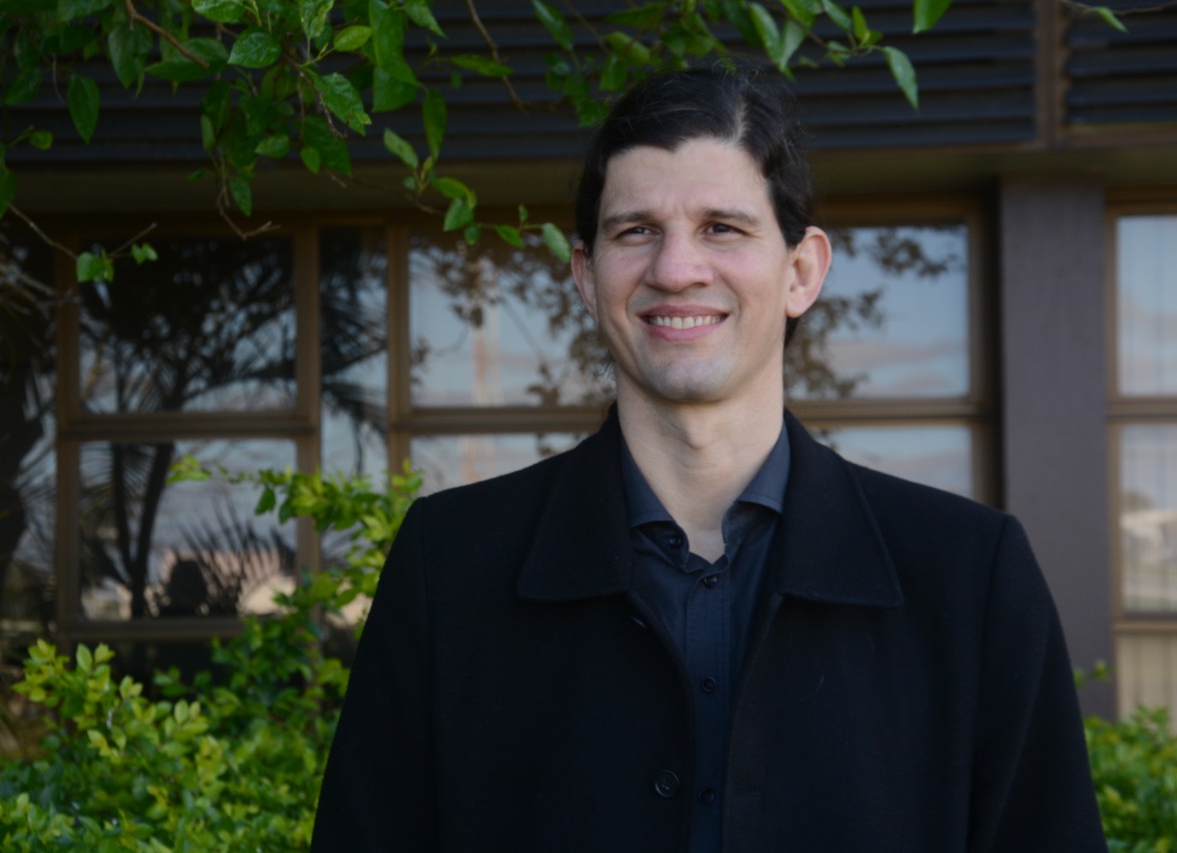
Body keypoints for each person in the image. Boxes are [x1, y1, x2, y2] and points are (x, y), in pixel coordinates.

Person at [311, 67, 1107, 852]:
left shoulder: (970, 575)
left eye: (722, 227)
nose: (676, 268)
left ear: (802, 271)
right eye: (636, 231)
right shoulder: (448, 566)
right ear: (587, 278)